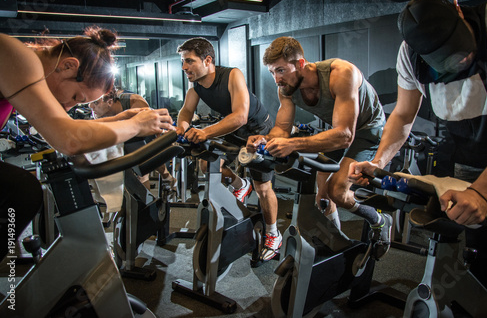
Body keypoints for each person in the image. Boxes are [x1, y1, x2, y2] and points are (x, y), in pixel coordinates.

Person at [348, 0, 487, 293]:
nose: (462, 59)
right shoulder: (410, 55)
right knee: (477, 245)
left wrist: (483, 191)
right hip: (469, 155)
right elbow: (403, 116)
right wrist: (378, 163)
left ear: (458, 9)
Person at [0, 27, 173, 261]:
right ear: (69, 66)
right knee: (22, 191)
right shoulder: (17, 57)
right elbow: (67, 138)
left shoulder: (26, 71)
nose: (70, 106)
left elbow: (62, 126)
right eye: (76, 98)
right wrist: (136, 126)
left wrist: (120, 119)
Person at [247, 36, 390, 260]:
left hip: (367, 131)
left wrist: (292, 143)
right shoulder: (286, 89)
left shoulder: (341, 74)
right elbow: (282, 129)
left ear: (301, 64)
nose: (277, 79)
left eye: (281, 70)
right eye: (273, 72)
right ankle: (339, 245)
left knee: (337, 191)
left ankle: (378, 220)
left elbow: (345, 136)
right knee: (322, 197)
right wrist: (265, 140)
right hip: (334, 130)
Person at [175, 37, 279, 261]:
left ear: (208, 60)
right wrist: (181, 129)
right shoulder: (196, 87)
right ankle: (241, 184)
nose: (184, 67)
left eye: (189, 61)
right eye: (183, 61)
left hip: (257, 129)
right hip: (231, 131)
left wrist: (204, 132)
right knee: (207, 164)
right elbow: (185, 112)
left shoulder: (232, 75)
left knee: (263, 188)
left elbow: (240, 116)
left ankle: (273, 234)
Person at [89, 88, 176, 189]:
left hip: (144, 132)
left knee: (143, 168)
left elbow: (145, 127)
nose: (91, 106)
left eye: (95, 102)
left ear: (109, 102)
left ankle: (167, 178)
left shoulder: (135, 102)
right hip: (122, 131)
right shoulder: (98, 114)